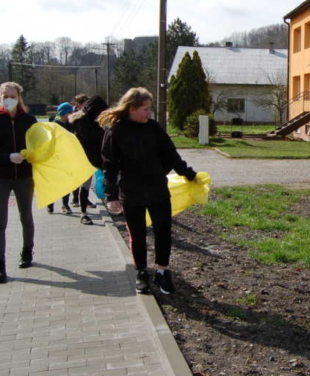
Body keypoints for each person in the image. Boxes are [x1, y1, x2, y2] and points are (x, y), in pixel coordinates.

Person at [99, 87, 198, 295]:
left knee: (163, 233)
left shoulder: (153, 128)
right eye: (145, 109)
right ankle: (142, 272)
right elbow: (109, 166)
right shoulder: (115, 131)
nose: (149, 113)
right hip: (131, 193)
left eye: (149, 109)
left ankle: (162, 272)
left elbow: (171, 153)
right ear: (132, 108)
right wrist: (112, 195)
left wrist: (188, 173)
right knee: (137, 235)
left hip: (158, 191)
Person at [0, 82, 38, 283]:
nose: (8, 99)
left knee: (26, 216)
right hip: (0, 178)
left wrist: (29, 156)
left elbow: (38, 147)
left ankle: (27, 252)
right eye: (5, 96)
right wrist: (7, 157)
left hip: (24, 177)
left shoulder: (29, 121)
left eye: (12, 96)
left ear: (19, 97)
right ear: (0, 97)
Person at [70, 95, 109, 225]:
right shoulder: (80, 120)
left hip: (98, 155)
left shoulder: (96, 120)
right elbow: (87, 137)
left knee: (109, 179)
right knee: (85, 185)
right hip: (84, 157)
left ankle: (113, 203)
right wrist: (103, 132)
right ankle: (83, 213)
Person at [46, 102, 75, 215]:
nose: (72, 114)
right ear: (64, 113)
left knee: (66, 183)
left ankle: (65, 204)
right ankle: (50, 204)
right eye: (70, 112)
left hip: (66, 158)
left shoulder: (69, 124)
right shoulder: (54, 125)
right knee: (53, 183)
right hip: (55, 158)